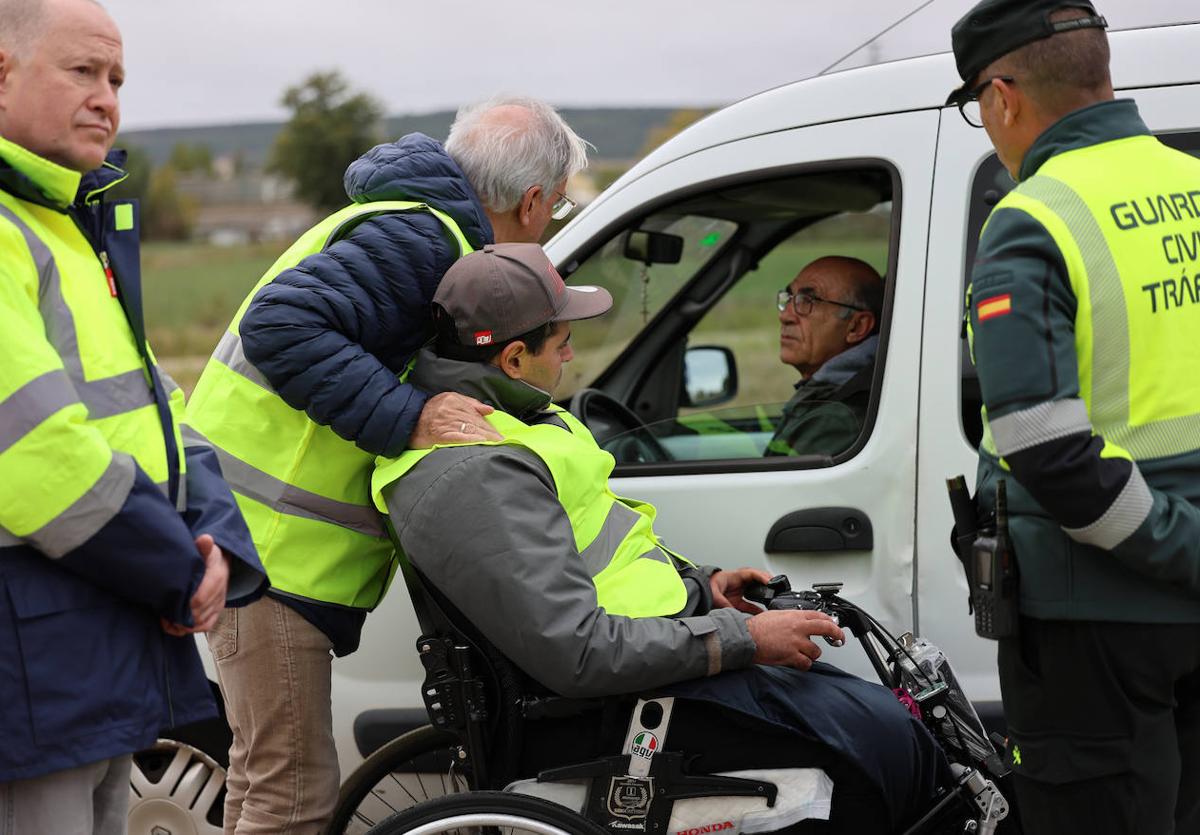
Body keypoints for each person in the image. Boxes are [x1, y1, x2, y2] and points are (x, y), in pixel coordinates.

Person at [373, 244, 947, 832]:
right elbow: (578, 652)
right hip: (594, 709)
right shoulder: (476, 471)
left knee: (892, 721)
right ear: (515, 359)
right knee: (874, 748)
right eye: (563, 340)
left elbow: (610, 553)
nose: (572, 353)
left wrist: (704, 587)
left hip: (644, 665)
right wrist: (742, 637)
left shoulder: (526, 425)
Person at [185, 97, 590, 832]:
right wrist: (410, 417)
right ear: (532, 201)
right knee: (295, 795)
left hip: (252, 543)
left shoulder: (412, 224)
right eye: (556, 210)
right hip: (271, 556)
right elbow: (283, 324)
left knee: (262, 780)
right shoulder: (422, 238)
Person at [0, 0, 267, 831]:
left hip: (86, 648)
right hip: (33, 662)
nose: (107, 97)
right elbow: (34, 450)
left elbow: (157, 413)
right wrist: (180, 569)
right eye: (82, 71)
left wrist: (215, 536)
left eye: (116, 79)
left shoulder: (67, 228)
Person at [947, 1, 1200, 831]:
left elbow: (1045, 450)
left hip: (1097, 625)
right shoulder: (1192, 189)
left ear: (1001, 97)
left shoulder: (1033, 217)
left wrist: (1182, 547)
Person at [766, 256, 882, 457]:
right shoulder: (833, 395)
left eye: (808, 301)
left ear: (857, 326)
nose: (784, 316)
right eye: (789, 298)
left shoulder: (841, 419)